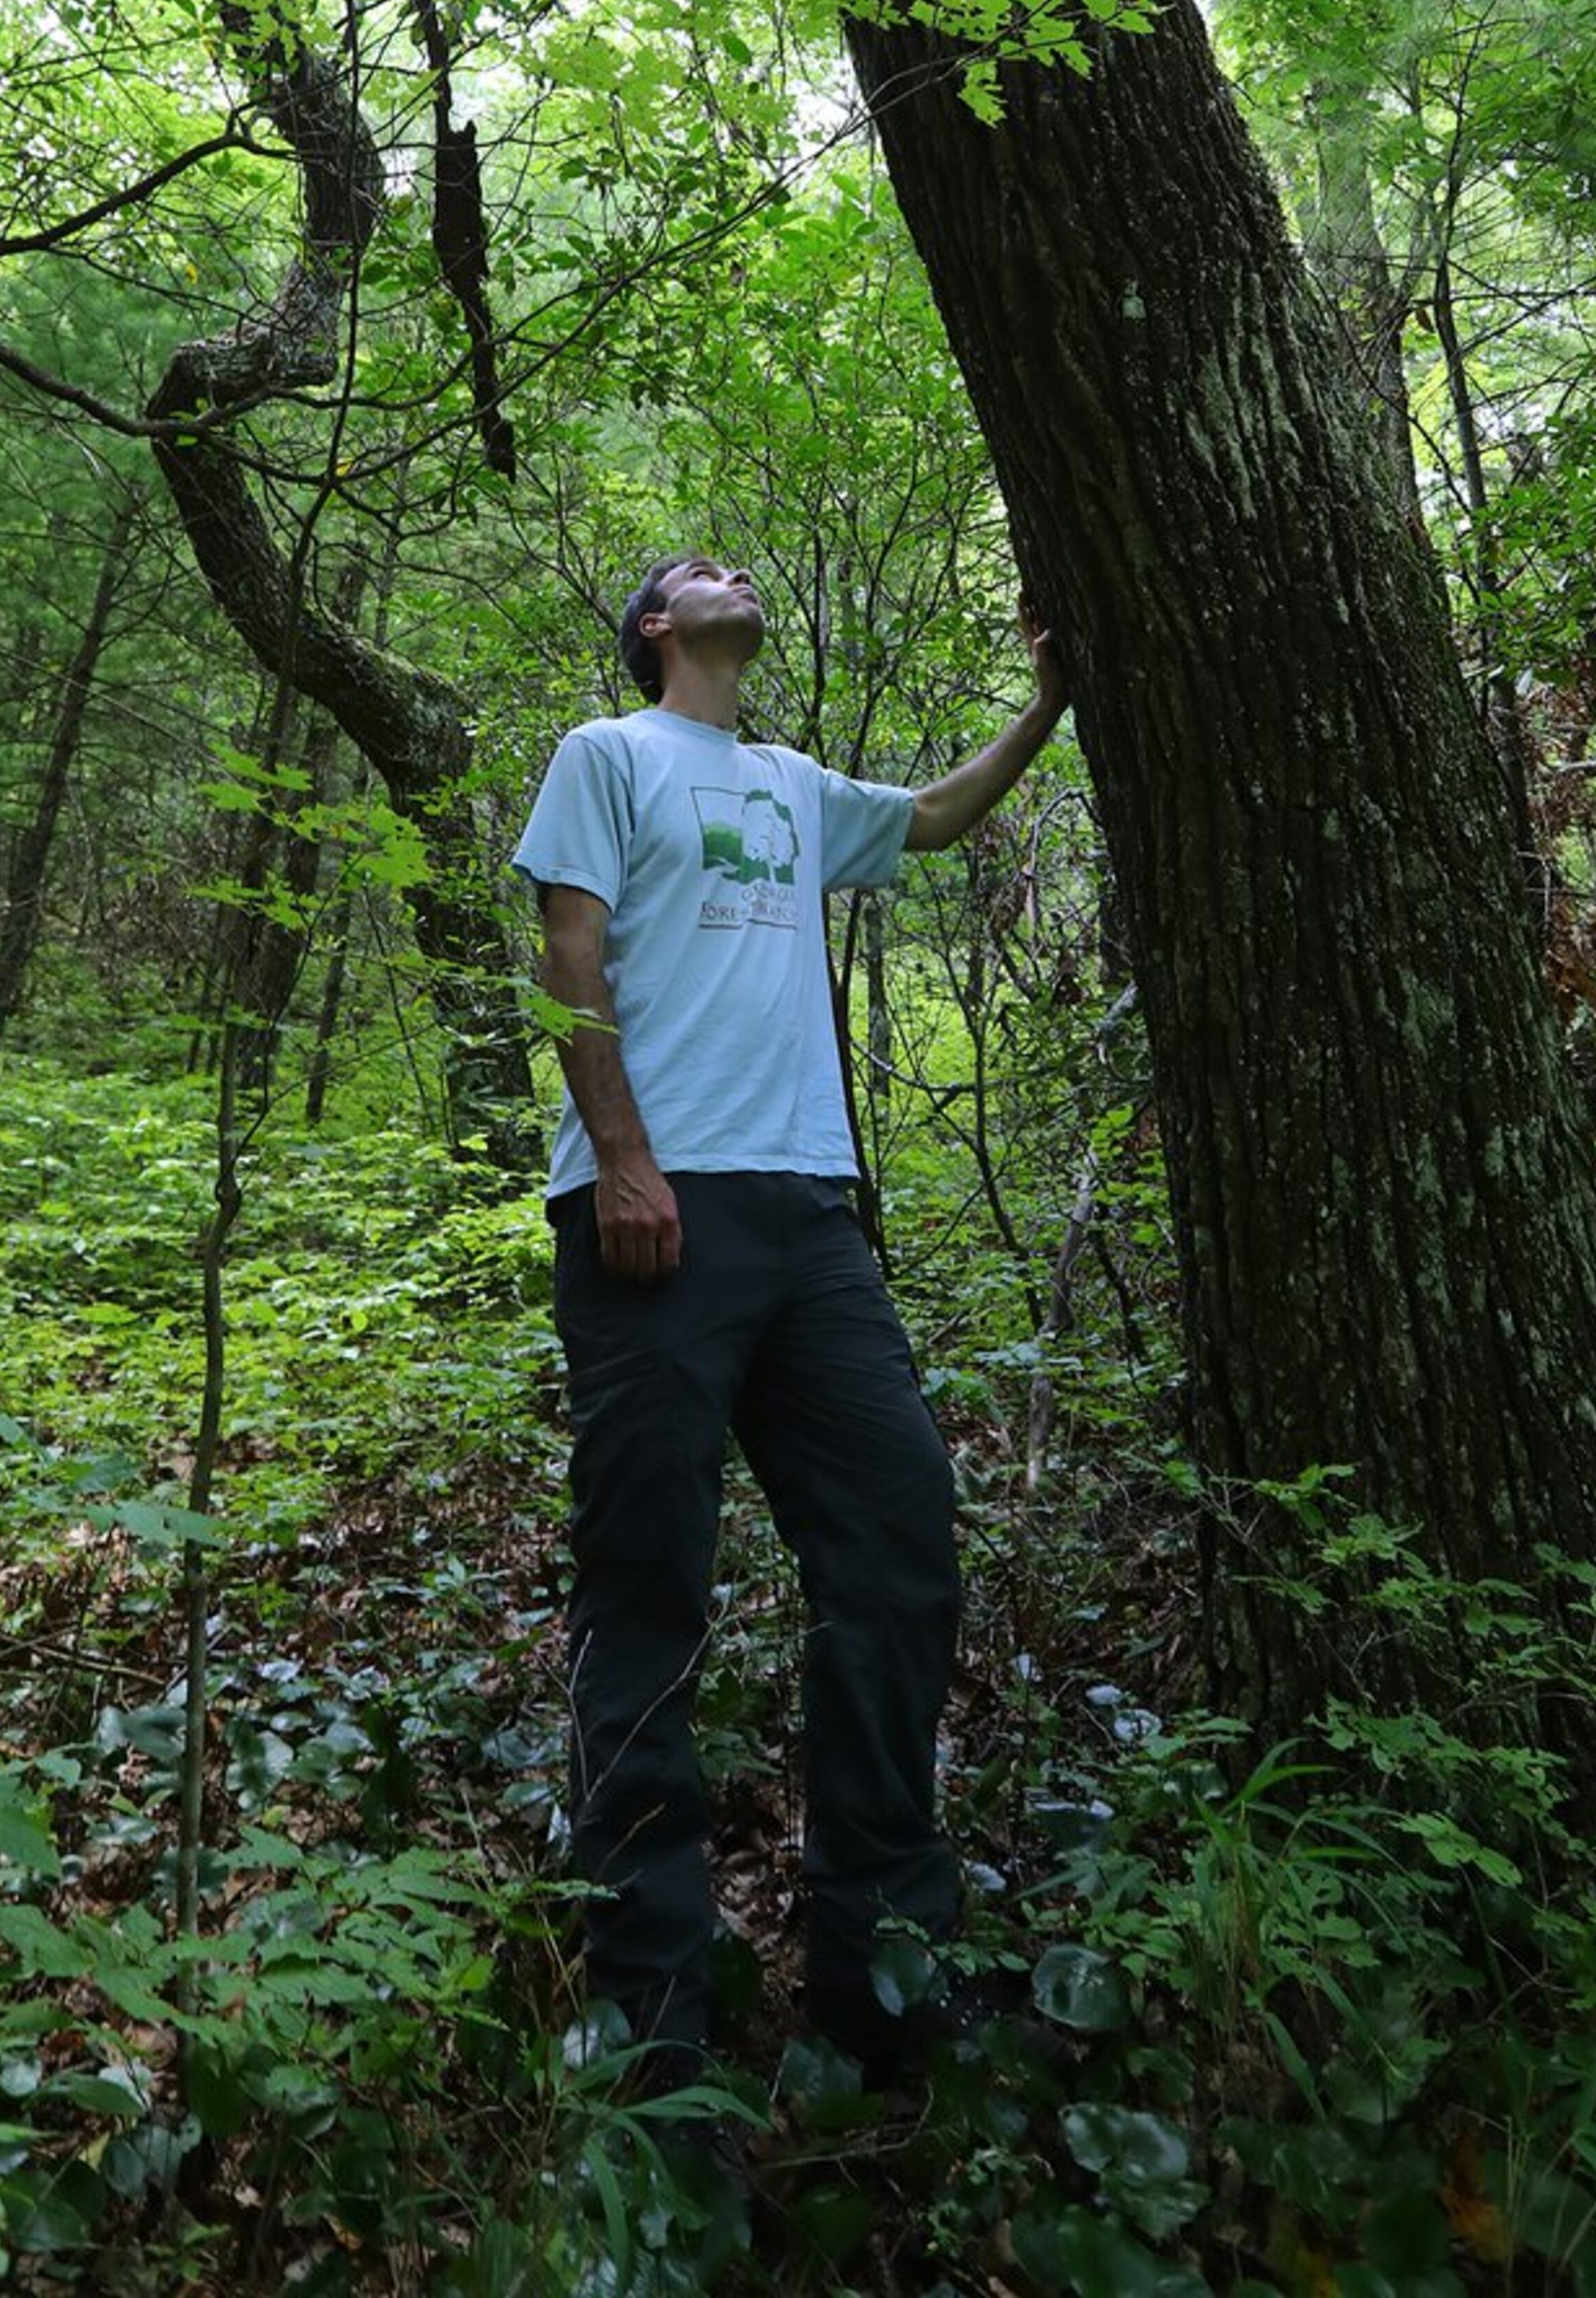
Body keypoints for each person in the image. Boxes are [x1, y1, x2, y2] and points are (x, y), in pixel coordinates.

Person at [513, 549, 1068, 2087]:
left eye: (736, 565)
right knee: (650, 1598)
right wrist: (621, 1157)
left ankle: (877, 1960)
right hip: (655, 1210)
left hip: (812, 1217)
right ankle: (653, 2013)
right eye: (696, 572)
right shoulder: (607, 756)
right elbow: (566, 958)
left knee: (897, 1543)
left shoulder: (791, 781)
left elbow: (939, 815)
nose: (730, 575)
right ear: (654, 627)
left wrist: (1048, 701)